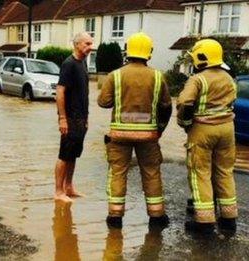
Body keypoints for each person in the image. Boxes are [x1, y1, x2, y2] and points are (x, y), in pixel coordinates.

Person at [98, 32, 172, 228]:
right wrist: (160, 129)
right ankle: (157, 216)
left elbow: (103, 103)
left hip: (119, 135)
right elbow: (166, 106)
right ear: (149, 52)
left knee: (117, 172)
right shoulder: (158, 76)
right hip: (148, 136)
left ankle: (115, 216)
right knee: (151, 172)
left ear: (127, 51)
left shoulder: (115, 75)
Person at [177, 39, 238, 234]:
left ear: (201, 57)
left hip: (203, 130)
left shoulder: (198, 79)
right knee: (225, 171)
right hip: (227, 129)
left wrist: (185, 124)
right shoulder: (229, 78)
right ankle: (229, 219)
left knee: (200, 172)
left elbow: (185, 103)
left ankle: (204, 222)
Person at [54, 32, 93, 203]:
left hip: (80, 119)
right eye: (87, 44)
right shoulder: (68, 64)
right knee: (65, 154)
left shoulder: (82, 63)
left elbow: (83, 93)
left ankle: (69, 187)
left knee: (74, 154)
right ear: (77, 44)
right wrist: (62, 118)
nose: (90, 47)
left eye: (91, 43)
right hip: (69, 118)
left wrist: (85, 118)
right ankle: (58, 191)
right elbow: (60, 91)